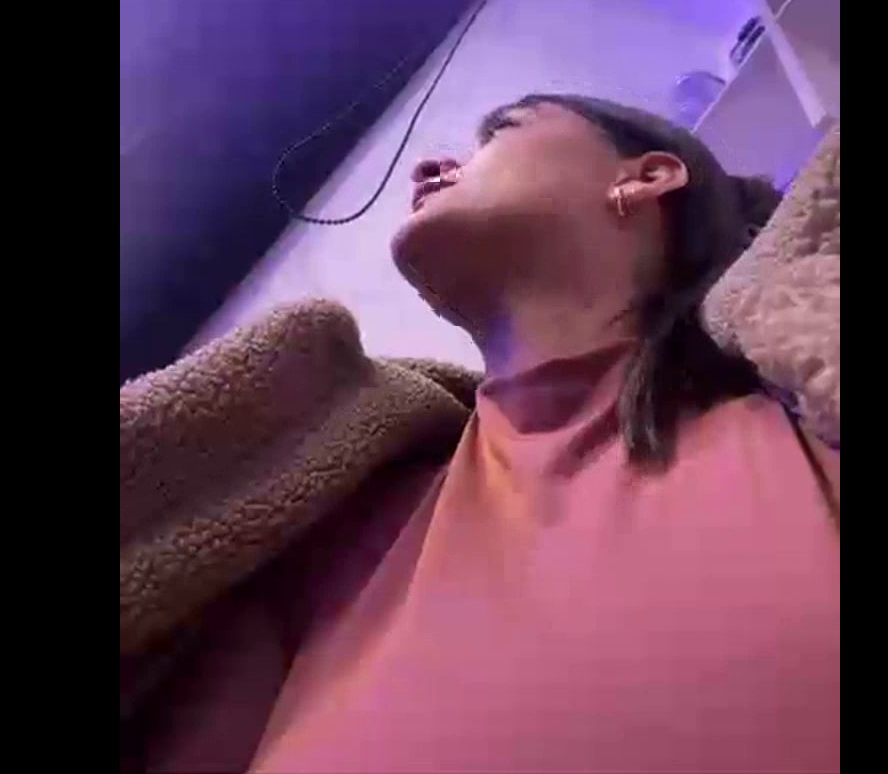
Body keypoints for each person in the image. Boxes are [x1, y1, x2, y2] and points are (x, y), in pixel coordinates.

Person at [120, 95, 840, 773]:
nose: (429, 167)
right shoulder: (322, 537)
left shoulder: (803, 408)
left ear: (648, 177)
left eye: (500, 132)